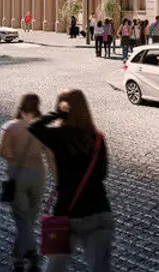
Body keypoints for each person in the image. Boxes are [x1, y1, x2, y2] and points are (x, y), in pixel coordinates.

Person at [29, 89, 113, 271]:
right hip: (99, 211)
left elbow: (34, 127)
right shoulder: (97, 137)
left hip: (67, 214)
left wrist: (57, 114)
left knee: (54, 268)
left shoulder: (58, 136)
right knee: (100, 268)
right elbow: (102, 174)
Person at [0, 93, 50, 272]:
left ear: (21, 107)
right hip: (38, 176)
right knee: (29, 219)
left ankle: (25, 258)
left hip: (17, 176)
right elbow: (49, 154)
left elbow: (3, 152)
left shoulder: (10, 127)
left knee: (22, 220)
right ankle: (22, 259)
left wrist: (14, 155)